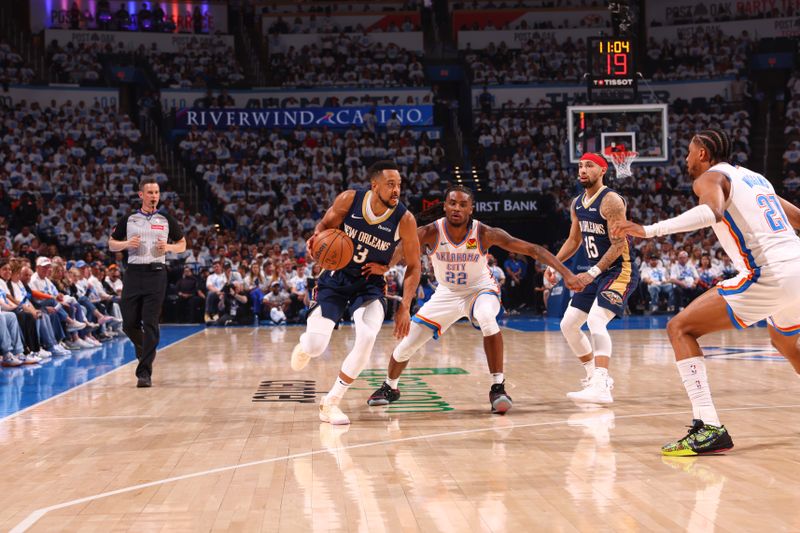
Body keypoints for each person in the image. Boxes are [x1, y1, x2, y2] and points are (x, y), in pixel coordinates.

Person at [613, 128, 800, 456]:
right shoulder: (756, 179)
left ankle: (708, 425)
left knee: (680, 328)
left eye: (688, 152)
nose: (685, 159)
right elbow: (798, 217)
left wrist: (649, 230)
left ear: (702, 154)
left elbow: (710, 212)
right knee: (785, 342)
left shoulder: (710, 178)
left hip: (769, 274)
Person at [367, 185, 582, 413]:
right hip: (446, 294)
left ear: (471, 209)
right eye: (452, 203)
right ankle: (390, 387)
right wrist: (386, 266)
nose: (456, 208)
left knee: (487, 317)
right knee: (405, 347)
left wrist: (567, 274)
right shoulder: (430, 231)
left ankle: (498, 387)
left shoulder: (484, 233)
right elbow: (402, 247)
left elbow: (534, 250)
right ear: (445, 206)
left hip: (480, 290)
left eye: (462, 204)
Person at [290, 161, 421, 425]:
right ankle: (305, 346)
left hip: (369, 284)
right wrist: (315, 242)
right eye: (390, 185)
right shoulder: (349, 200)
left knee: (367, 337)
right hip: (336, 279)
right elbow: (323, 227)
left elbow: (415, 264)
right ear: (375, 185)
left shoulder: (405, 219)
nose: (396, 191)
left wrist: (405, 306)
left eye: (399, 185)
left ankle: (331, 402)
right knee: (316, 346)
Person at [544, 152, 639, 404]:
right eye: (580, 166)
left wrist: (592, 272)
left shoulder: (611, 201)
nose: (583, 170)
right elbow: (574, 240)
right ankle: (591, 377)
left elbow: (618, 245)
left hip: (621, 270)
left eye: (589, 165)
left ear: (602, 170)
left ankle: (602, 382)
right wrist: (555, 264)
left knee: (597, 319)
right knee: (568, 324)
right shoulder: (577, 203)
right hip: (597, 272)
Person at [109, 177, 186, 388]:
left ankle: (144, 373)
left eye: (157, 192)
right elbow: (111, 244)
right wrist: (126, 243)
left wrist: (169, 248)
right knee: (128, 323)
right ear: (141, 195)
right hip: (133, 273)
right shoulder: (129, 219)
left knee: (150, 322)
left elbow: (182, 244)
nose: (154, 196)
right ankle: (147, 350)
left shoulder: (166, 219)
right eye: (150, 192)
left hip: (157, 273)